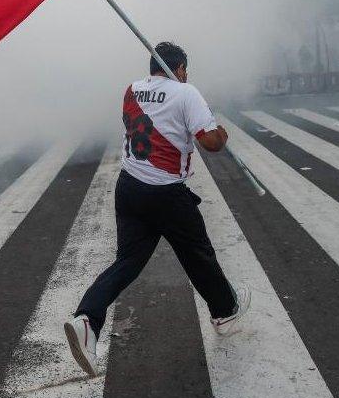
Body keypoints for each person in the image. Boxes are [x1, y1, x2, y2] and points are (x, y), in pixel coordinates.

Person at [64, 42, 250, 377]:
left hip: (129, 186)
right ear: (178, 68)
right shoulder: (185, 92)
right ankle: (224, 313)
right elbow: (210, 143)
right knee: (198, 253)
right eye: (185, 70)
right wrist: (222, 131)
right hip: (165, 192)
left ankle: (87, 319)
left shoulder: (132, 89)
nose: (186, 75)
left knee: (128, 261)